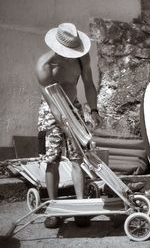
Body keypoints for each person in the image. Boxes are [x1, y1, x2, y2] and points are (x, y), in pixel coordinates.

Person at [35, 23, 102, 228]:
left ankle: (80, 208)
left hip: (73, 107)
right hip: (51, 110)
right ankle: (53, 209)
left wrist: (93, 109)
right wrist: (66, 127)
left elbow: (89, 84)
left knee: (78, 157)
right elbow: (53, 103)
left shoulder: (82, 58)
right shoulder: (45, 66)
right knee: (52, 158)